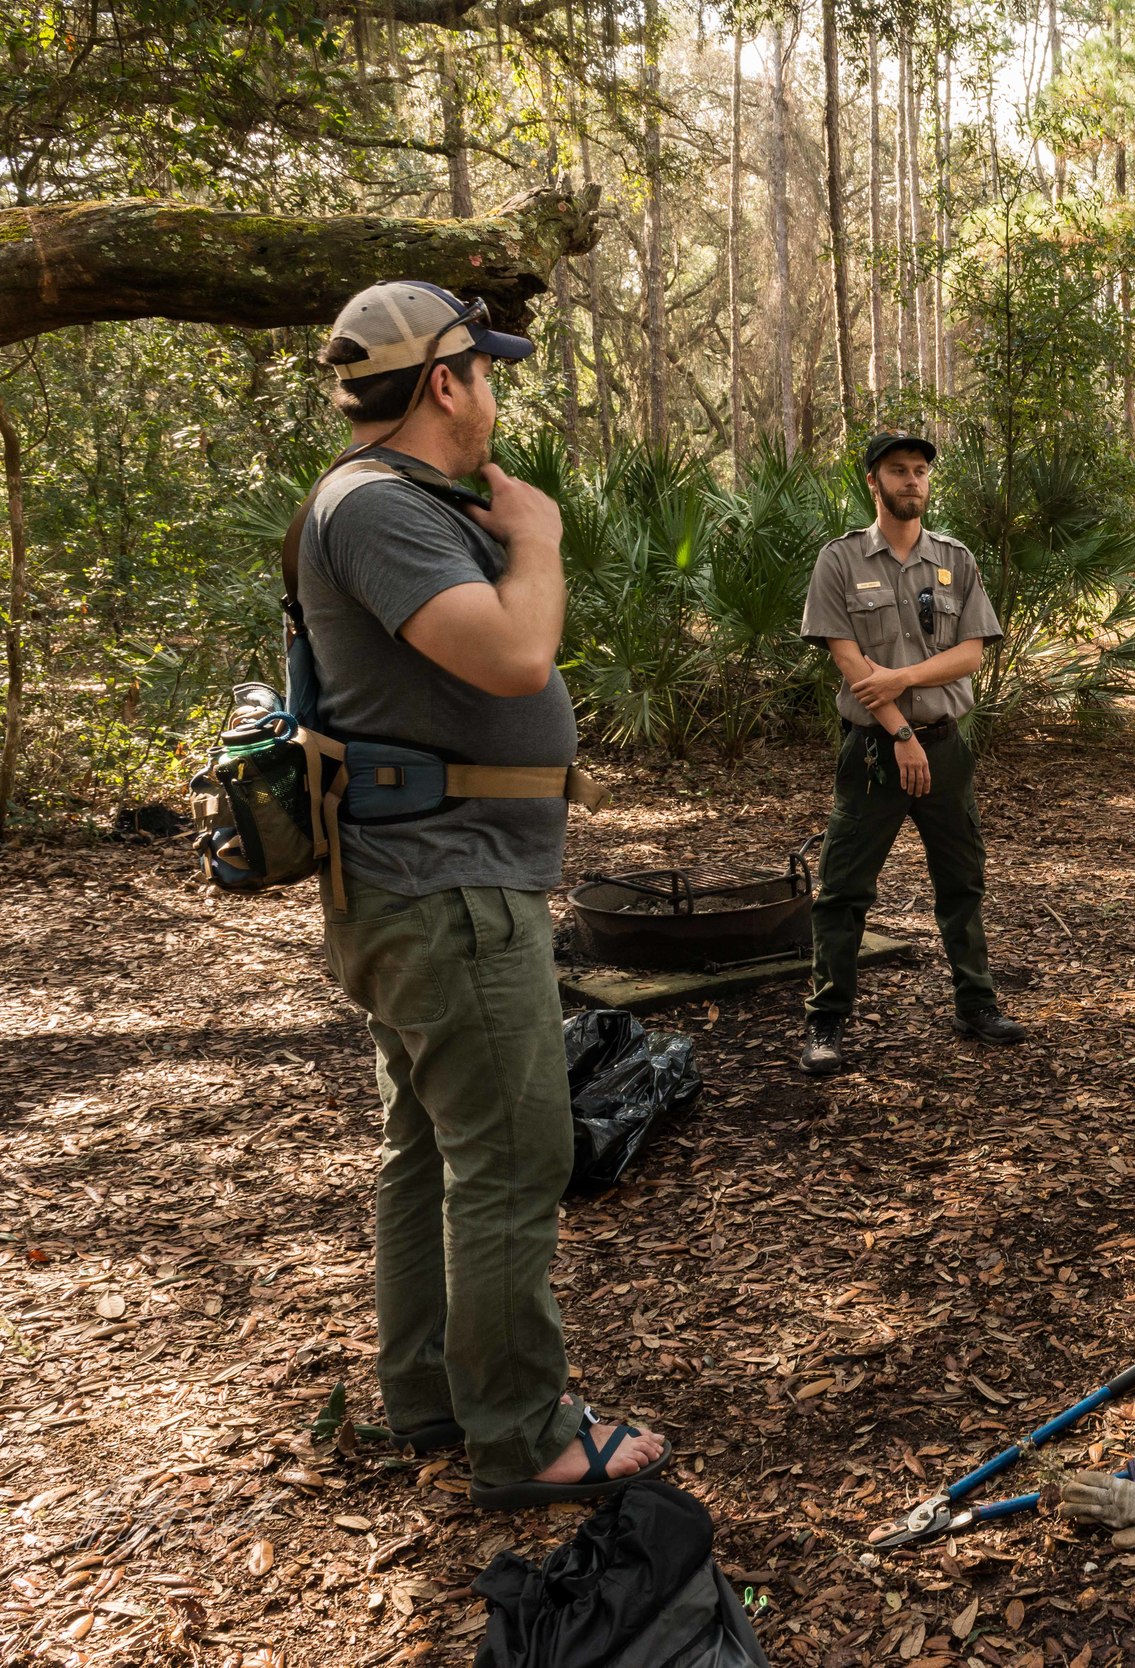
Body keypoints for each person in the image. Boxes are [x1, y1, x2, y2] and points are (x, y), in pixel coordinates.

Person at [302, 281, 667, 1508]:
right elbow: (515, 656)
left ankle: (430, 1396)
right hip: (445, 891)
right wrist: (543, 540)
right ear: (445, 381)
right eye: (486, 369)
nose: (495, 392)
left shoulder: (391, 503)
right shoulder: (374, 509)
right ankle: (521, 1435)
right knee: (515, 1158)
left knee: (430, 1149)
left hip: (429, 884)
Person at [797, 431, 1027, 1075]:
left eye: (921, 471)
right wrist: (899, 733)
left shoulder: (956, 559)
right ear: (873, 481)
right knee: (843, 890)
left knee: (962, 879)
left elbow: (971, 653)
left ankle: (976, 1003)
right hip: (874, 751)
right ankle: (826, 1021)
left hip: (946, 748)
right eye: (898, 471)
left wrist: (899, 679)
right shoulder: (839, 561)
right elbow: (848, 660)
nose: (912, 481)